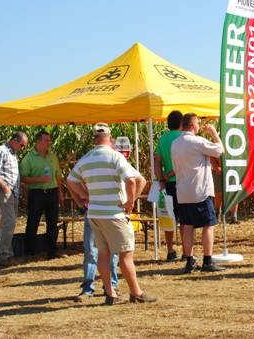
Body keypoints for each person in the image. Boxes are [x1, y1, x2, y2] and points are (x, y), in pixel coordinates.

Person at [67, 123, 156, 304]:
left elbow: (70, 181)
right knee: (126, 254)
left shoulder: (87, 158)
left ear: (95, 138)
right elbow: (132, 181)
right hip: (114, 214)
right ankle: (136, 292)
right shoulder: (115, 156)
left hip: (95, 213)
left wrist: (84, 197)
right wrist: (130, 202)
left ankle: (110, 293)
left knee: (103, 253)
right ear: (110, 137)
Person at [171, 114, 225, 273]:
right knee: (208, 224)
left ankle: (189, 260)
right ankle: (208, 260)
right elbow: (219, 151)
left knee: (187, 226)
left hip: (183, 191)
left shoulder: (175, 143)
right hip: (200, 190)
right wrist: (214, 134)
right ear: (193, 125)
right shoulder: (197, 141)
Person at [19, 130, 64, 258]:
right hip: (36, 193)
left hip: (52, 192)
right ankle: (30, 251)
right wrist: (39, 179)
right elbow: (23, 178)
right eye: (46, 140)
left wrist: (60, 192)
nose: (49, 143)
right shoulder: (28, 158)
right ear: (38, 142)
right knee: (33, 222)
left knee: (52, 222)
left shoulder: (53, 156)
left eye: (50, 140)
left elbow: (58, 175)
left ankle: (52, 251)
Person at [0, 132, 28, 265]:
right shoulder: (1, 151)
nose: (22, 148)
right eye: (22, 145)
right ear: (15, 140)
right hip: (4, 192)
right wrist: (5, 187)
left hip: (12, 193)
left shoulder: (12, 153)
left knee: (9, 223)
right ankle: (4, 255)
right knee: (9, 222)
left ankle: (7, 253)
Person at [154, 110, 184, 261]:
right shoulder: (183, 138)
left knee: (169, 217)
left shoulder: (162, 139)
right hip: (182, 182)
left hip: (166, 185)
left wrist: (161, 179)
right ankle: (187, 251)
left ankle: (171, 250)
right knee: (186, 219)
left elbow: (157, 161)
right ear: (181, 123)